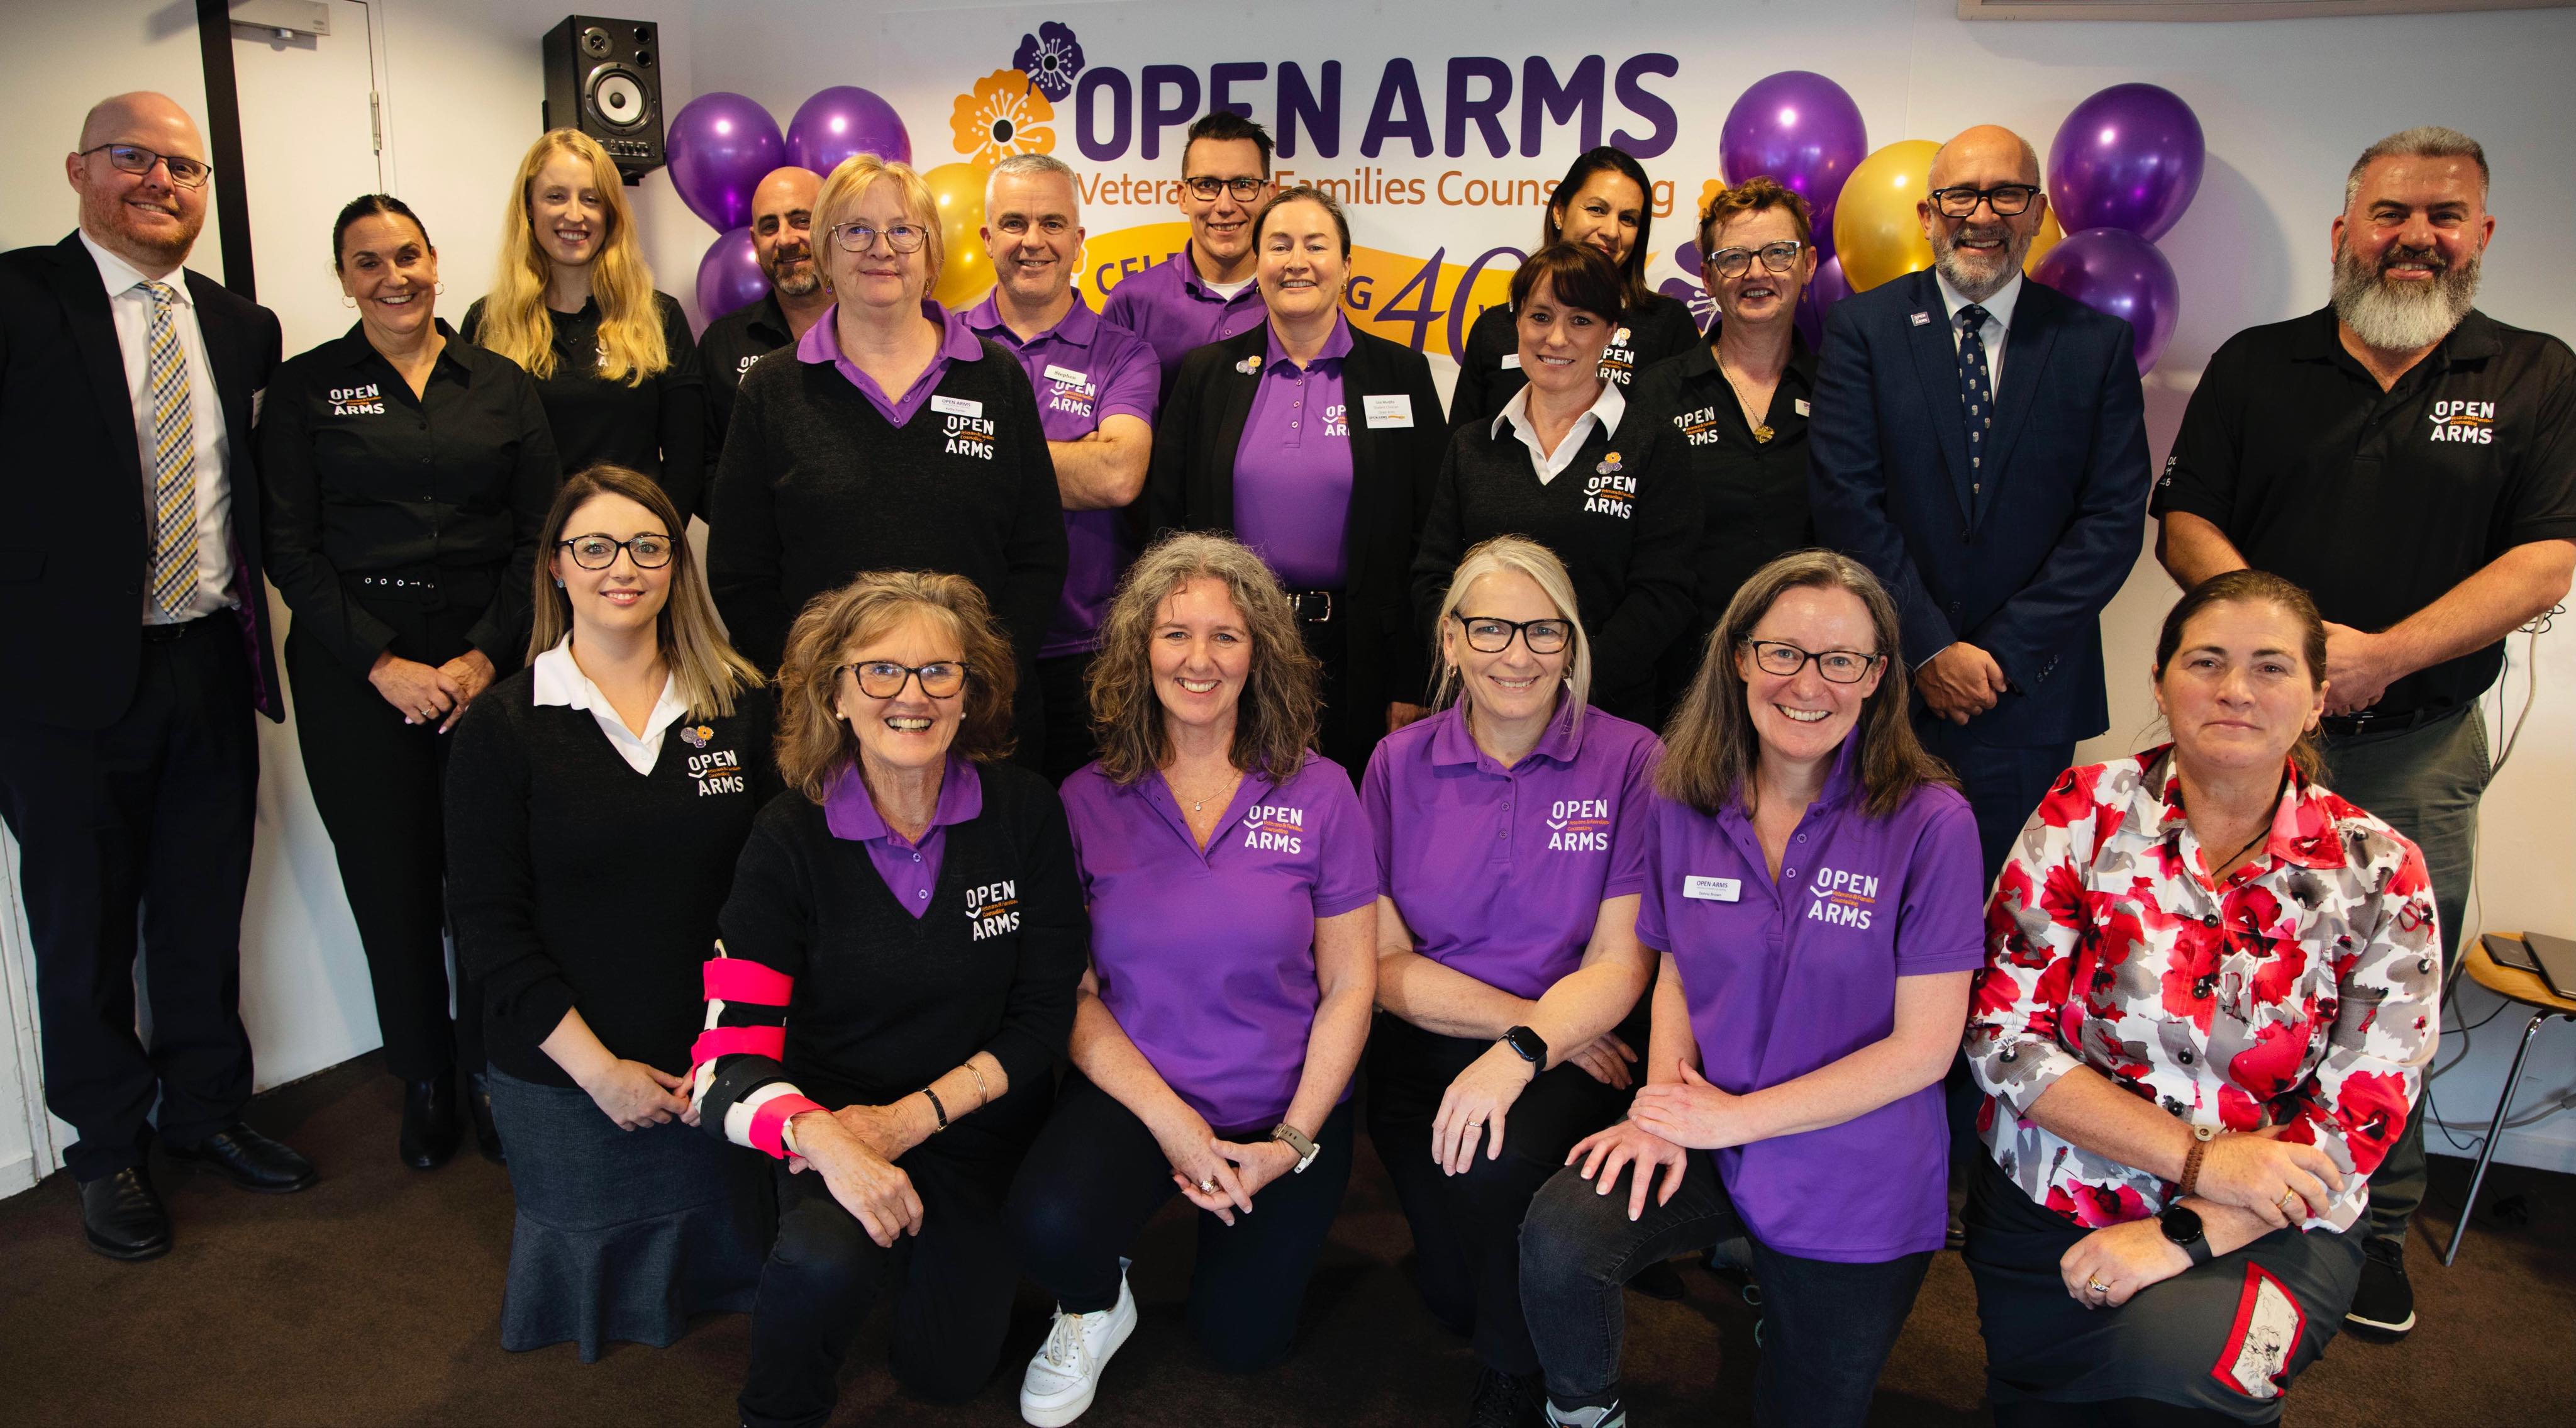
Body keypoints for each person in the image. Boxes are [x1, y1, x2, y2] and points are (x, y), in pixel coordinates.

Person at [2152, 125, 2576, 1341]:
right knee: (2199, 959)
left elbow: (2546, 560)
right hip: (2239, 736)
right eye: (2390, 214)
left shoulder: (2535, 374)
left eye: (2444, 217)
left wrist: (2382, 657)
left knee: (2390, 993)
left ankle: (2374, 1227)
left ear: (2481, 237)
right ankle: (2197, 1173)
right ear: (2345, 230)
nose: (2415, 238)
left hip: (2416, 744)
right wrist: (2280, 652)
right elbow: (2184, 522)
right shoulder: (2257, 365)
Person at [1518, 550, 1985, 1428]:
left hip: (1855, 1167)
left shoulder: (1931, 823)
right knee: (1563, 1236)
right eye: (1783, 652)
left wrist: (1733, 1118)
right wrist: (1661, 1107)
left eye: (1841, 659)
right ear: (1739, 657)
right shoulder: (1683, 797)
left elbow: (1925, 1050)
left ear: (1878, 676)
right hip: (1709, 1125)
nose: (1809, 682)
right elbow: (1678, 972)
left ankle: (1780, 1303)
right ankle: (1584, 1414)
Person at [1963, 569, 2440, 1426]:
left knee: (2174, 1395)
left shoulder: (2380, 869)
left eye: (2270, 667)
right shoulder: (2084, 811)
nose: (2234, 690)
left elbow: (2363, 1110)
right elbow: (2005, 1035)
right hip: (2058, 1187)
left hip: (2270, 1220)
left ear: (2318, 696)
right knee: (2036, 1406)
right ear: (2159, 679)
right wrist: (2198, 1157)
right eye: (2207, 660)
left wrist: (2190, 1225)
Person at [0, 90, 313, 1261]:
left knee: (197, 907)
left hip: (207, 662)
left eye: (184, 168)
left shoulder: (243, 326)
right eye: (135, 159)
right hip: (60, 691)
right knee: (80, 928)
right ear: (79, 168)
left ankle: (208, 1115)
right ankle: (107, 1151)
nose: (163, 183)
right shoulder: (18, 298)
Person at [691, 571, 1085, 1425]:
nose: (912, 695)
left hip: (975, 1128)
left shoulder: (1026, 814)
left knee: (945, 1373)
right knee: (819, 1264)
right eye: (880, 671)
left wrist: (909, 1120)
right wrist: (830, 1139)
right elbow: (724, 1064)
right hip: (840, 1126)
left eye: (940, 672)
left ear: (970, 692)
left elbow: (1042, 1019)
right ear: (835, 690)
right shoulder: (787, 837)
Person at [1006, 533, 1377, 1425]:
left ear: (1263, 655)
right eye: (1176, 634)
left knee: (1239, 1344)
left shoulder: (1323, 792)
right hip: (1142, 1094)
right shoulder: (1087, 798)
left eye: (1226, 635)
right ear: (1141, 649)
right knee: (1046, 1227)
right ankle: (1099, 1300)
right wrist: (1175, 1126)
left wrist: (1290, 1139)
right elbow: (1079, 998)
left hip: (1284, 1107)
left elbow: (1353, 986)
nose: (1199, 659)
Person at [445, 464, 775, 1361]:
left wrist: (731, 1047)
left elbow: (782, 896)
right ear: (555, 565)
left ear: (677, 565)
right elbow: (487, 930)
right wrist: (602, 1073)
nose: (620, 566)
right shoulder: (504, 727)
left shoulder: (744, 706)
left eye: (646, 546)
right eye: (593, 546)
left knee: (759, 1244)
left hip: (722, 1052)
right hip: (570, 1065)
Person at [262, 193, 558, 1171]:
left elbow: (538, 537)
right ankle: (424, 1074)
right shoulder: (306, 390)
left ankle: (489, 1068)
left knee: (487, 875)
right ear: (342, 278)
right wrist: (385, 664)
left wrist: (481, 655)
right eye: (367, 262)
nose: (394, 277)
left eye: (408, 255)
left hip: (489, 654)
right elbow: (288, 548)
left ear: (436, 259)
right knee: (390, 880)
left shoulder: (504, 385)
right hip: (360, 668)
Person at [1367, 537, 1660, 1427]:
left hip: (1571, 1055)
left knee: (1490, 1174)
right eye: (1491, 628)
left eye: (1543, 631)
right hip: (1439, 1045)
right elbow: (1382, 967)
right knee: (1455, 1293)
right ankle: (1502, 1299)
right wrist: (1519, 1024)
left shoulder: (1631, 758)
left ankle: (1512, 1374)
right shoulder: (1397, 762)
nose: (1518, 654)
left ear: (1571, 643)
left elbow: (1622, 960)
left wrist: (1536, 1045)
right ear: (1451, 640)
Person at [1809, 123, 2153, 884]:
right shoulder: (1863, 330)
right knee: (1864, 911)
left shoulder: (2092, 344)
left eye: (2006, 194)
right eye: (1961, 194)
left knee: (2004, 922)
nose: (1983, 214)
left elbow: (2111, 519)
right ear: (1929, 214)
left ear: (2037, 214)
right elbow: (1846, 502)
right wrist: (1929, 647)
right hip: (1885, 690)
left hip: (2026, 700)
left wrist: (1997, 657)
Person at [709, 153, 1067, 766]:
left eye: (904, 230)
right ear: (824, 253)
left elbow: (1038, 554)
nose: (882, 248)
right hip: (828, 727)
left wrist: (976, 677)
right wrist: (822, 684)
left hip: (978, 719)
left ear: (931, 255)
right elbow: (741, 574)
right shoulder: (772, 389)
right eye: (856, 230)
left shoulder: (996, 377)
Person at [1146, 186, 1447, 776]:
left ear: (1347, 264)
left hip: (1361, 651)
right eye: (1279, 245)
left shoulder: (1400, 374)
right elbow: (1165, 525)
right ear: (1258, 263)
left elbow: (1430, 537)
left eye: (1316, 245)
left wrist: (1414, 677)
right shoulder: (1207, 376)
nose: (1297, 261)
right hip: (1232, 647)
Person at [1412, 243, 1700, 727]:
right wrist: (1486, 670)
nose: (1557, 338)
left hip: (1606, 717)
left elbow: (1664, 593)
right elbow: (1432, 579)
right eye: (1541, 317)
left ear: (1611, 331)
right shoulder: (1471, 447)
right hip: (1482, 711)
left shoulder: (1654, 445)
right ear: (1517, 324)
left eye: (1581, 320)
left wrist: (1568, 683)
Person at [966, 153, 1163, 781]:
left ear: (1079, 241)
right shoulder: (941, 344)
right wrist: (1072, 457)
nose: (1033, 241)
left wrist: (971, 452)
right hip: (964, 647)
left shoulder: (1124, 353)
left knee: (1088, 843)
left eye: (1052, 223)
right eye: (1015, 223)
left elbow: (1117, 475)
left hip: (1091, 653)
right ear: (986, 237)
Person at [1631, 177, 1821, 715]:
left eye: (1777, 254)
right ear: (1708, 277)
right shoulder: (1658, 390)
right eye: (1734, 257)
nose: (1757, 273)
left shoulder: (1843, 392)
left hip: (1806, 686)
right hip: (1680, 685)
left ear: (1808, 266)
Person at [462, 130, 704, 523]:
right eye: (555, 196)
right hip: (533, 560)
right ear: (529, 207)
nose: (574, 214)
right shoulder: (487, 323)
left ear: (610, 213)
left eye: (590, 199)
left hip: (637, 556)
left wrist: (650, 545)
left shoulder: (659, 317)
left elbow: (687, 461)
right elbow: (481, 463)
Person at [1448, 147, 1702, 438]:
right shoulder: (1494, 327)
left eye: (1628, 219)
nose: (1611, 231)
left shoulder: (1667, 323)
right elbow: (1463, 446)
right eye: (1597, 209)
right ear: (1559, 211)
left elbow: (1684, 443)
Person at [1099, 110, 1275, 390]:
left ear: (1269, 196)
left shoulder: (1295, 298)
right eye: (1207, 185)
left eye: (1243, 185)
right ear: (1183, 197)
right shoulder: (1131, 302)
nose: (1225, 206)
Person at [700, 165, 830, 468]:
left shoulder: (875, 334)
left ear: (832, 227)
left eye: (801, 221)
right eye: (770, 226)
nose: (785, 239)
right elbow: (706, 462)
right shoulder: (722, 344)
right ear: (755, 243)